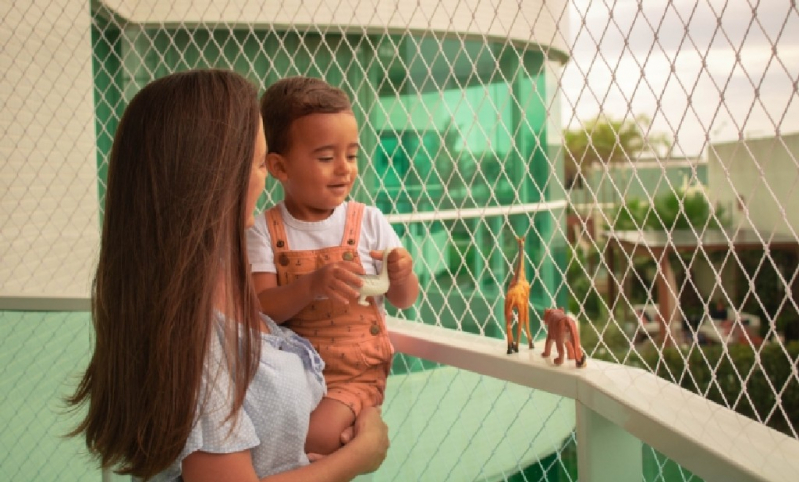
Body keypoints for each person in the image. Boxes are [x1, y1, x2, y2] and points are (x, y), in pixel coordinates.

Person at [66, 69, 388, 482]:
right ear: (214, 179)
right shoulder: (196, 337)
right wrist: (361, 454)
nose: (264, 179)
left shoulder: (204, 292)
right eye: (258, 164)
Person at [247, 76, 420, 456]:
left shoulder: (369, 222)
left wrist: (402, 274)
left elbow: (404, 299)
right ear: (279, 167)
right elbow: (261, 305)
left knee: (315, 438)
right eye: (326, 158)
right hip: (292, 369)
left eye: (352, 155)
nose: (344, 169)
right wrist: (311, 285)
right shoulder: (264, 231)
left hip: (353, 370)